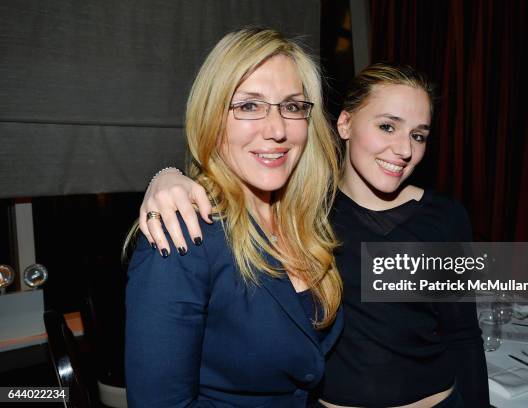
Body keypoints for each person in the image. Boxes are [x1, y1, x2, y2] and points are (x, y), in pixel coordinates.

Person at [139, 63, 489, 407]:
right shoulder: (305, 211)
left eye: (418, 135)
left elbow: (463, 334)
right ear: (345, 123)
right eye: (386, 126)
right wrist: (168, 176)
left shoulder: (445, 217)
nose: (404, 150)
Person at [124, 27, 345, 407]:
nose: (277, 130)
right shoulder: (182, 236)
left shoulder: (309, 221)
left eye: (292, 106)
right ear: (211, 116)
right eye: (248, 106)